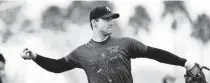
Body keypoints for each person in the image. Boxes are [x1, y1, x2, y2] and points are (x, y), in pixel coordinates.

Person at [21, 5, 196, 83]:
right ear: (94, 23)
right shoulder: (81, 53)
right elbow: (57, 66)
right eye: (106, 19)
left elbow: (155, 53)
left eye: (111, 18)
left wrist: (185, 63)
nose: (111, 22)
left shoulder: (125, 43)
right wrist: (35, 56)